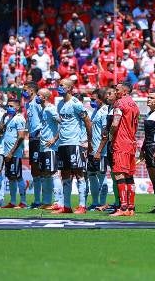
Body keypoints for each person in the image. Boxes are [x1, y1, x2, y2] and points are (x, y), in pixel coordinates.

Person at [52, 80, 92, 214]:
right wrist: (56, 138)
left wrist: (89, 142)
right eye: (59, 85)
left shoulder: (76, 104)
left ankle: (82, 206)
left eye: (62, 85)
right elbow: (62, 125)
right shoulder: (60, 104)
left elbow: (87, 122)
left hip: (74, 143)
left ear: (70, 88)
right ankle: (67, 206)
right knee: (65, 175)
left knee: (79, 173)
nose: (59, 87)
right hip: (62, 144)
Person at [110, 82, 140, 216]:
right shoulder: (135, 105)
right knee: (129, 175)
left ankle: (122, 208)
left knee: (119, 174)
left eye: (117, 90)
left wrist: (110, 136)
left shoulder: (119, 103)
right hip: (131, 142)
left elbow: (115, 123)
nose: (115, 92)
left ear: (125, 91)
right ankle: (131, 208)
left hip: (121, 142)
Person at [1, 98, 28, 209]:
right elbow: (0, 130)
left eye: (11, 106)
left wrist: (12, 152)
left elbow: (21, 136)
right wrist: (3, 117)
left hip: (14, 154)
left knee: (17, 176)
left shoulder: (19, 118)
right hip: (7, 153)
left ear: (17, 107)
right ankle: (12, 202)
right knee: (11, 177)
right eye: (8, 106)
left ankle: (23, 202)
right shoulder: (8, 118)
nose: (9, 108)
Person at [87, 87, 111, 209]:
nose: (91, 101)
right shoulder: (95, 111)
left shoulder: (104, 112)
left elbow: (105, 134)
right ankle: (95, 202)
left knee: (101, 175)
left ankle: (102, 202)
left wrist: (99, 151)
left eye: (93, 99)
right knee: (91, 175)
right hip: (92, 150)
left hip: (100, 151)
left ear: (100, 99)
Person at [38, 88, 61, 210]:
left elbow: (62, 123)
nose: (37, 97)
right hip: (43, 146)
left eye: (38, 95)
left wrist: (55, 139)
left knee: (53, 172)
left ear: (45, 97)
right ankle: (47, 201)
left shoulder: (51, 109)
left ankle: (58, 202)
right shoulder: (43, 109)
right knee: (45, 173)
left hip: (51, 146)